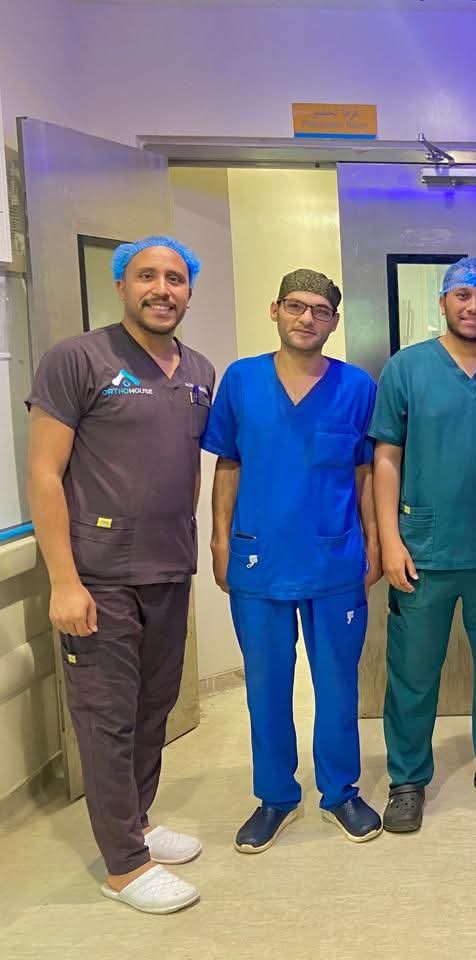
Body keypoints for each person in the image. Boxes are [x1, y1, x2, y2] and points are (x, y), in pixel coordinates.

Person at [26, 236, 215, 914]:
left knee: (151, 708)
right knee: (106, 717)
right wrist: (64, 580)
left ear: (189, 290)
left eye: (175, 278)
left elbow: (185, 468)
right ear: (121, 285)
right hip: (99, 575)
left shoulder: (199, 370)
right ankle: (125, 868)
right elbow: (44, 473)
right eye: (146, 276)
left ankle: (137, 821)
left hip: (167, 567)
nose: (162, 289)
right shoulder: (78, 359)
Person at [202, 269, 382, 852]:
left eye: (320, 311)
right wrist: (220, 541)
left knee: (338, 686)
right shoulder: (242, 380)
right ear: (275, 309)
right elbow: (228, 463)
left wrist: (374, 541)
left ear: (334, 321)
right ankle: (276, 796)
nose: (308, 318)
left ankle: (340, 791)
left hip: (335, 559)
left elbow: (364, 472)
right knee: (266, 686)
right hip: (259, 557)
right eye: (297, 307)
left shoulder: (357, 387)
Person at [370, 257, 476, 833]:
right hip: (423, 549)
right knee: (413, 670)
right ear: (444, 302)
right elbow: (386, 457)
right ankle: (407, 780)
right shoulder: (407, 369)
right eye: (463, 295)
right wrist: (389, 540)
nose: (474, 306)